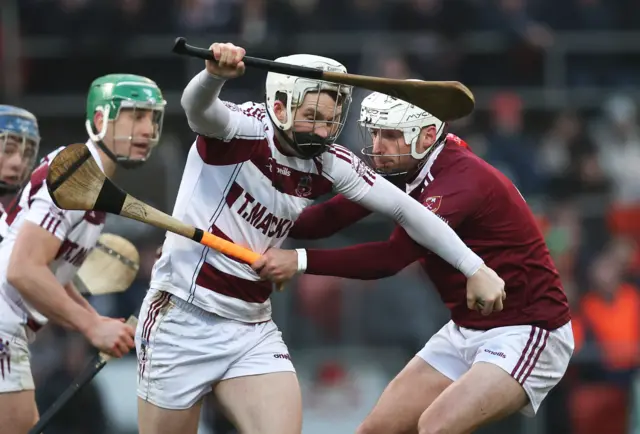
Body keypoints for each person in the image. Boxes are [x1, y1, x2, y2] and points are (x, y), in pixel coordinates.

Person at [136, 42, 505, 434]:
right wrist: (213, 76)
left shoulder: (329, 162)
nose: (323, 131)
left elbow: (405, 210)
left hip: (251, 327)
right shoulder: (241, 130)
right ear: (280, 107)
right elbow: (198, 109)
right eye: (312, 117)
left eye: (330, 120)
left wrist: (474, 267)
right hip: (182, 316)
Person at [253, 90, 574, 434]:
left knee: (435, 426)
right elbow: (326, 219)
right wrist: (255, 210)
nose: (378, 146)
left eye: (391, 135)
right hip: (466, 330)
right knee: (374, 431)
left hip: (528, 330)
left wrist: (299, 260)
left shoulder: (456, 182)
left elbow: (392, 258)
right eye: (375, 133)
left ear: (426, 136)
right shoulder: (407, 166)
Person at [0, 74, 167, 433]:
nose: (146, 128)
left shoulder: (90, 183)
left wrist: (98, 322)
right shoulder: (74, 173)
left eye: (152, 118)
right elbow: (22, 271)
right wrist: (92, 326)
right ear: (100, 120)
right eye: (135, 116)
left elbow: (49, 274)